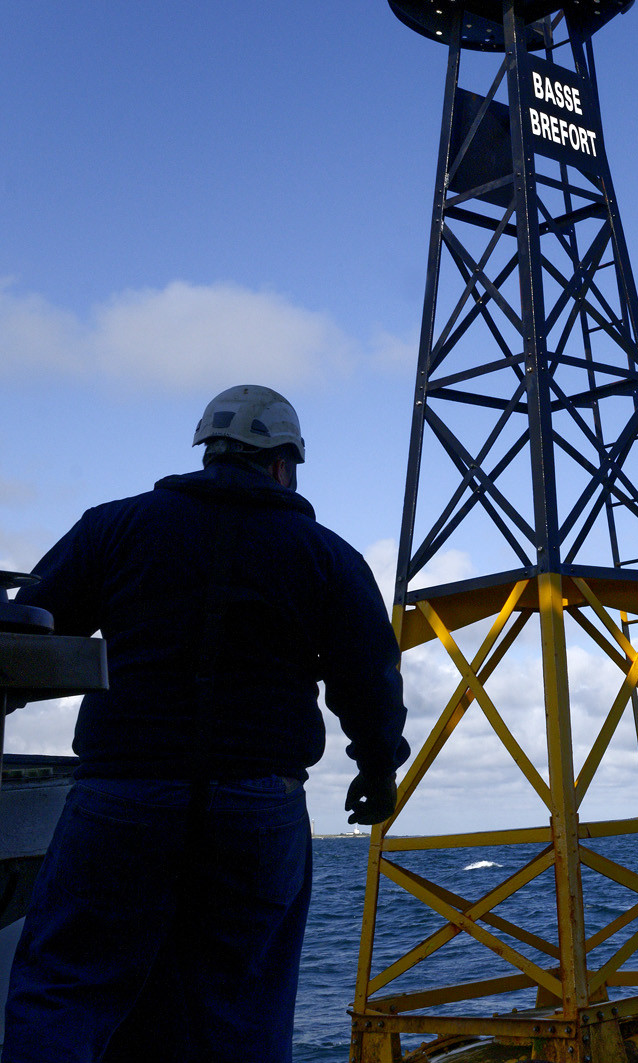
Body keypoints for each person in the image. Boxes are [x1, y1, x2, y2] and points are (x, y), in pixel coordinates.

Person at [2, 385, 410, 1063]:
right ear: (283, 464)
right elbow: (370, 682)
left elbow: (30, 635)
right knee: (241, 1010)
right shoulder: (328, 556)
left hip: (123, 794)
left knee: (67, 990)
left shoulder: (113, 527)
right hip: (258, 802)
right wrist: (376, 767)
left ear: (207, 451)